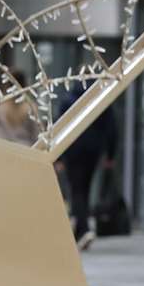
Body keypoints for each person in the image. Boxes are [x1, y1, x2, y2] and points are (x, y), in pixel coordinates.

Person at [55, 81, 117, 251]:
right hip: (93, 152)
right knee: (84, 188)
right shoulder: (100, 100)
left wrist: (58, 157)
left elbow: (58, 127)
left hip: (73, 151)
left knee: (77, 189)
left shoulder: (68, 101)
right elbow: (112, 129)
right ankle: (80, 230)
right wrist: (110, 154)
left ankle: (83, 229)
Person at [0, 69, 39, 147]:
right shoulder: (31, 107)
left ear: (6, 85)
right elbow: (36, 135)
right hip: (23, 147)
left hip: (0, 146)